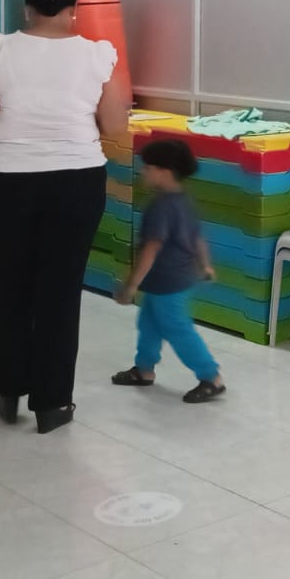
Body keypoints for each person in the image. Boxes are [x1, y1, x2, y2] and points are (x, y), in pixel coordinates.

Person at [0, 0, 130, 433]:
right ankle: (53, 403)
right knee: (60, 290)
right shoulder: (99, 54)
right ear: (73, 8)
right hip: (76, 179)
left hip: (9, 179)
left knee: (12, 283)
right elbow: (115, 125)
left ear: (27, 8)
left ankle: (8, 391)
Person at [111, 140, 227, 404]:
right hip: (171, 279)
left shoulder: (160, 207)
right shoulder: (184, 200)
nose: (143, 172)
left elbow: (151, 249)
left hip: (168, 282)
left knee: (178, 329)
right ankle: (144, 369)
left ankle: (211, 377)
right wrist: (206, 264)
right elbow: (197, 237)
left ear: (165, 172)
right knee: (149, 325)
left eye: (148, 167)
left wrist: (131, 286)